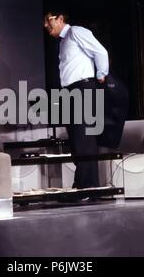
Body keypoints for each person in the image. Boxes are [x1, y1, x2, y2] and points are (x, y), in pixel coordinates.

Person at [44, 11, 109, 189]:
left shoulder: (76, 32)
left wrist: (101, 74)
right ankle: (82, 184)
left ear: (60, 18)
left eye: (48, 20)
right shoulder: (63, 40)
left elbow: (100, 51)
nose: (45, 25)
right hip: (71, 90)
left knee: (84, 138)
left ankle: (87, 187)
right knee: (75, 139)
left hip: (83, 88)